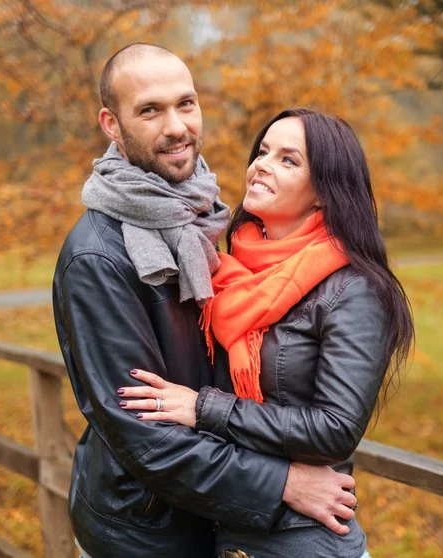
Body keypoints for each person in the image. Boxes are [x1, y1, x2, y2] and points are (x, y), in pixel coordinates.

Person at [53, 45, 358, 558]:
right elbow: (143, 433)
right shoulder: (98, 259)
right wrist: (281, 483)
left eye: (186, 104)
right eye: (150, 110)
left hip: (213, 517)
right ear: (111, 124)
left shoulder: (199, 217)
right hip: (144, 532)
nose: (177, 127)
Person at [118, 107, 415, 558]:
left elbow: (335, 430)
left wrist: (203, 408)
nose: (262, 164)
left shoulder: (354, 289)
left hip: (302, 540)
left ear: (324, 193)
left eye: (288, 160)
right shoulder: (223, 269)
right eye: (263, 152)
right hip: (228, 529)